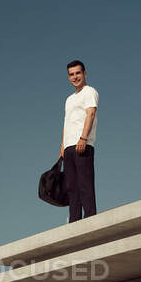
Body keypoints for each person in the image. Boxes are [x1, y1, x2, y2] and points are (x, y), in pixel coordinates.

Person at [59, 60, 98, 222]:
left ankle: (90, 219)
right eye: (71, 74)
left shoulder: (89, 91)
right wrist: (62, 145)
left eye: (78, 73)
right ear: (68, 77)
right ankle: (74, 221)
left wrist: (83, 137)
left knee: (85, 184)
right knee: (71, 187)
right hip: (68, 147)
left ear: (85, 74)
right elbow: (66, 122)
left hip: (82, 144)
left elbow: (91, 114)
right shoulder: (69, 99)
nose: (75, 77)